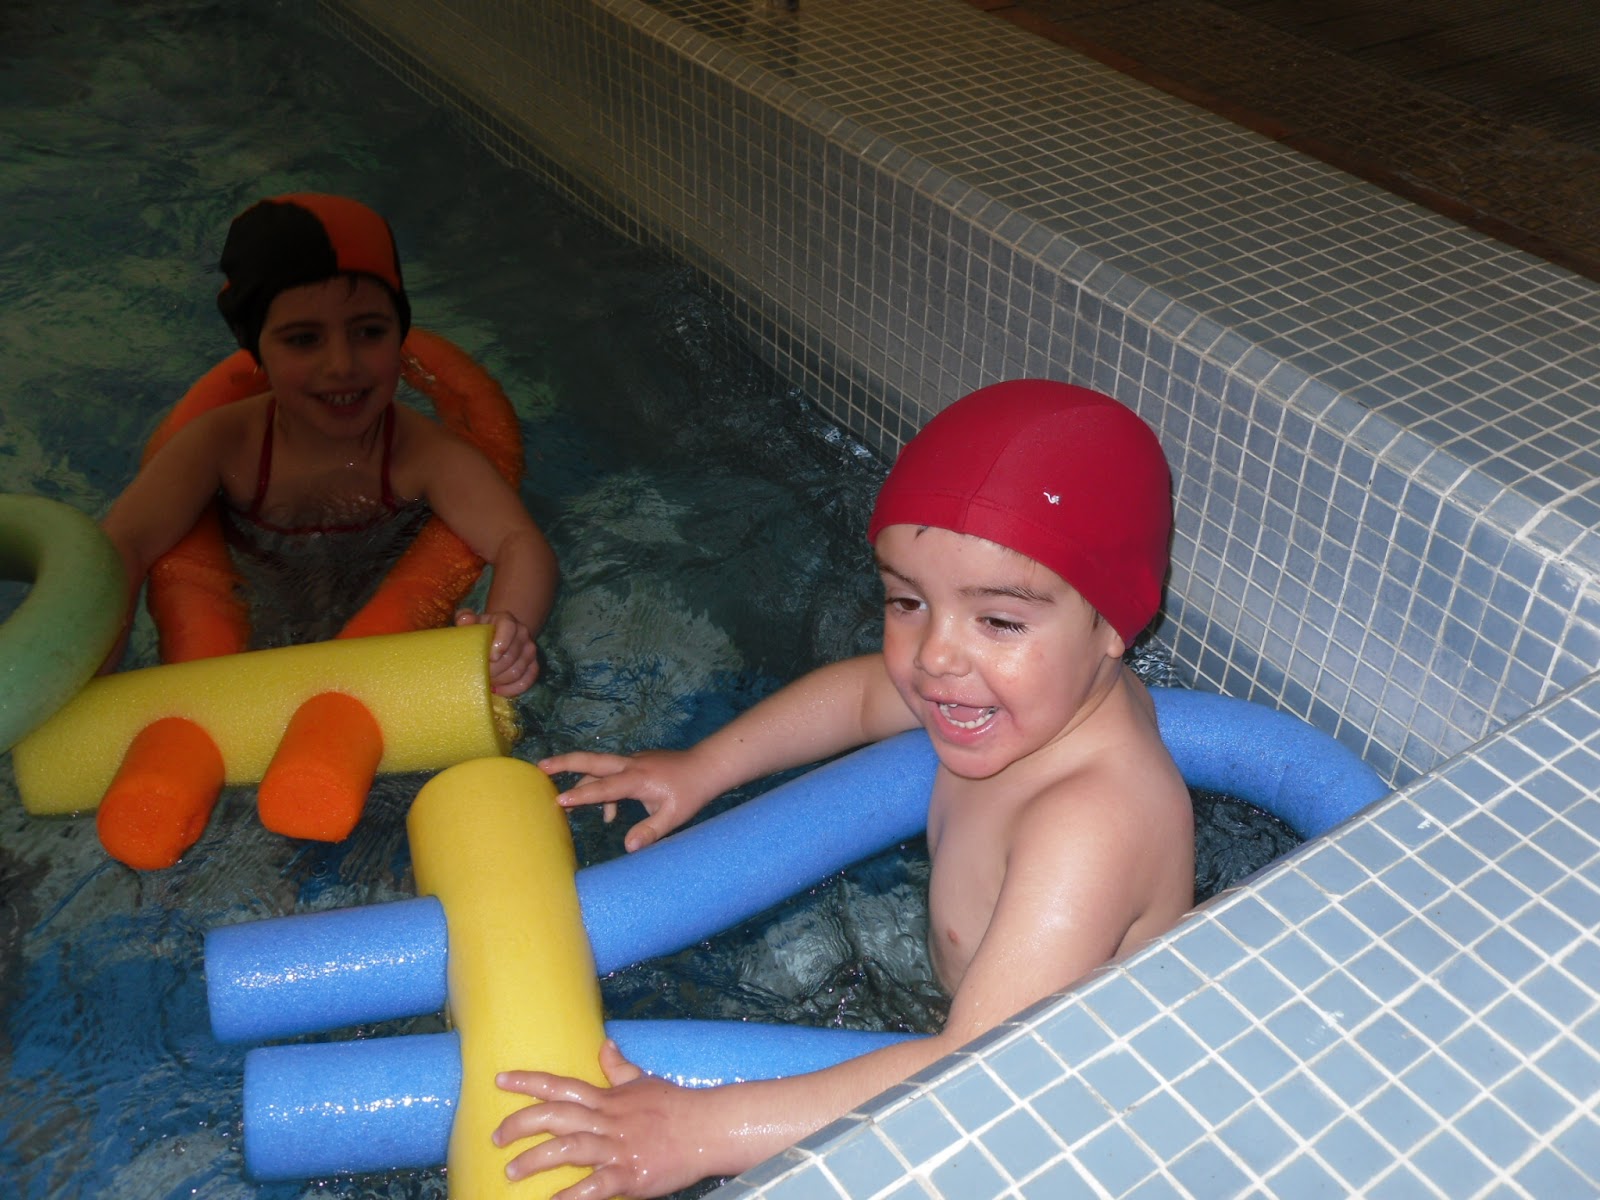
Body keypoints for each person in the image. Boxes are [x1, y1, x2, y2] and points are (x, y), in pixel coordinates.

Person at [494, 379, 1195, 1195]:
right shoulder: (1029, 692)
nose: (935, 656)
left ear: (1116, 622)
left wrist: (699, 1131)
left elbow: (979, 1077)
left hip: (1042, 1111)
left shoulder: (1094, 821)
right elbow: (862, 697)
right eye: (907, 601)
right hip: (975, 1017)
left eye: (999, 620)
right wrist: (702, 767)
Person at [100, 193, 557, 696]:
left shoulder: (426, 456)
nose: (342, 364)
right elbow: (124, 545)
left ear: (400, 335)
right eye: (303, 339)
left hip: (376, 628)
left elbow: (520, 542)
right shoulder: (221, 446)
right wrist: (96, 660)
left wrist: (506, 631)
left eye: (369, 332)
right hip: (260, 616)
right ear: (256, 349)